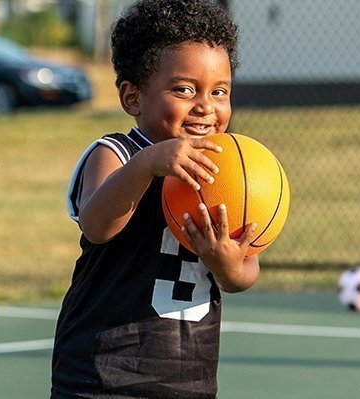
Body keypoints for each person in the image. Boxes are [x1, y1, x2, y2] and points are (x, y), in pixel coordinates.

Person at [51, 1, 258, 397]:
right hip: (101, 377)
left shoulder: (227, 171)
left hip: (188, 381)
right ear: (133, 98)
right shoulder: (115, 154)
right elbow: (98, 225)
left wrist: (227, 264)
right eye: (184, 89)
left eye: (219, 91)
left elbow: (245, 270)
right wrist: (147, 164)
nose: (205, 106)